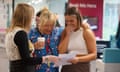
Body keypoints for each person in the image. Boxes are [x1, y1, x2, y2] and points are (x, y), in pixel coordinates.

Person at [5, 3, 59, 72]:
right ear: (26, 18)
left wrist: (33, 47)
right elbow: (27, 60)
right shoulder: (21, 33)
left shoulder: (11, 31)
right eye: (32, 17)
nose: (32, 20)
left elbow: (20, 52)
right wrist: (47, 58)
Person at [58, 7, 97, 72]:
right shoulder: (65, 31)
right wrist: (68, 35)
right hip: (67, 66)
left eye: (72, 21)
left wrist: (78, 59)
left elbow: (94, 55)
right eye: (67, 21)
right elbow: (61, 51)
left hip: (81, 66)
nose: (69, 23)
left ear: (78, 19)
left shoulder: (86, 32)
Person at [29, 8, 63, 72]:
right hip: (37, 69)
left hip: (54, 69)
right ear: (40, 23)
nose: (49, 28)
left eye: (52, 25)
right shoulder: (31, 33)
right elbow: (24, 53)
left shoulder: (58, 31)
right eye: (46, 25)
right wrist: (33, 46)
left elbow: (72, 27)